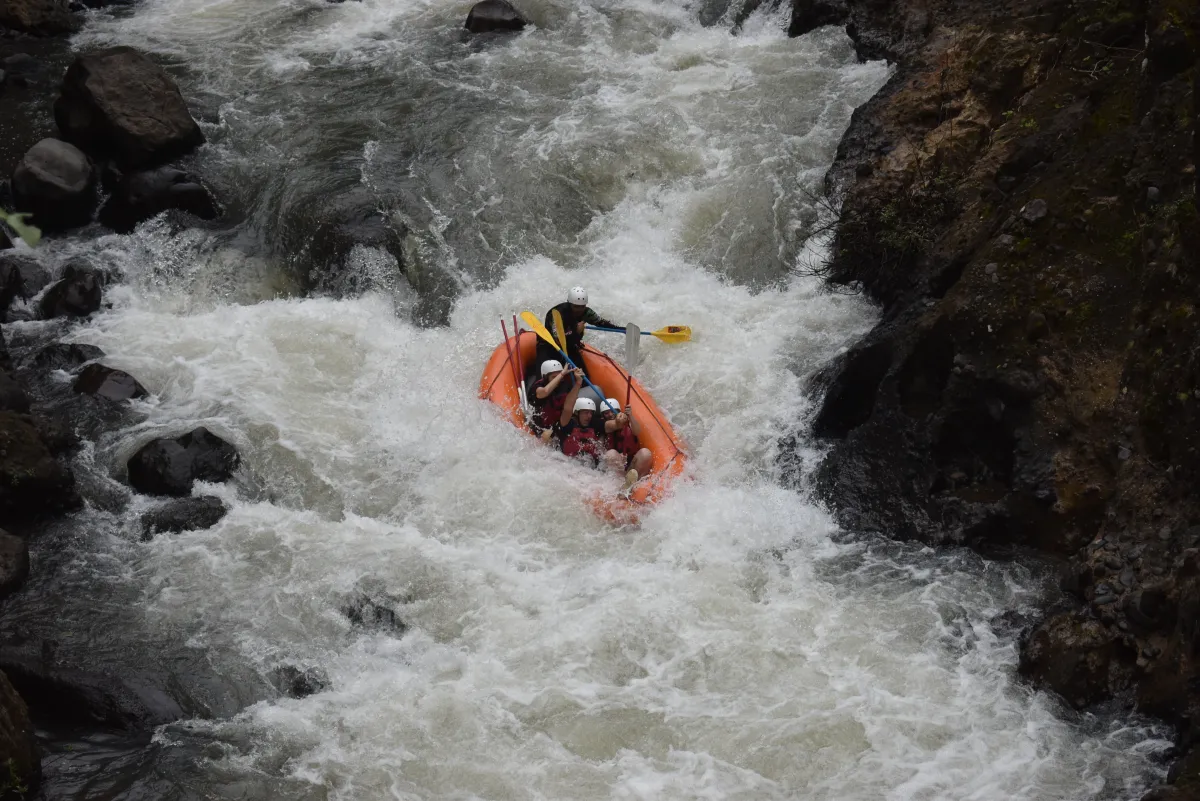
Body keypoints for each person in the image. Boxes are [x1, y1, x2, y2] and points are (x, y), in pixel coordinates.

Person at [536, 286, 620, 373]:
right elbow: (558, 340)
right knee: (546, 374)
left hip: (570, 345)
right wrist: (575, 331)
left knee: (583, 374)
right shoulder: (557, 314)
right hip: (549, 346)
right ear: (570, 304)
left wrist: (621, 329)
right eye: (576, 307)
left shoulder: (586, 312)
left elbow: (601, 323)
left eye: (582, 306)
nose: (579, 310)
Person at [596, 397, 652, 489]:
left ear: (618, 411)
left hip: (631, 464)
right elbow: (600, 454)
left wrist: (630, 415)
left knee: (645, 453)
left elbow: (637, 431)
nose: (610, 414)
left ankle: (636, 486)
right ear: (603, 416)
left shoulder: (629, 423)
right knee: (611, 454)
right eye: (606, 413)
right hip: (617, 468)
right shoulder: (605, 428)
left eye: (613, 411)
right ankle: (621, 487)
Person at [528, 360, 576, 442]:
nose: (558, 379)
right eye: (554, 377)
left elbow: (571, 405)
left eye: (559, 376)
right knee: (547, 435)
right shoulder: (536, 387)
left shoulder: (564, 385)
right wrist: (561, 374)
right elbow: (545, 392)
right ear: (545, 377)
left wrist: (578, 382)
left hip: (558, 424)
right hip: (541, 427)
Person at [559, 396, 605, 467]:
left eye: (591, 413)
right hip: (568, 464)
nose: (589, 416)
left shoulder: (595, 424)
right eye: (586, 412)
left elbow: (610, 425)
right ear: (577, 413)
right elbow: (566, 409)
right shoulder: (568, 425)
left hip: (591, 468)